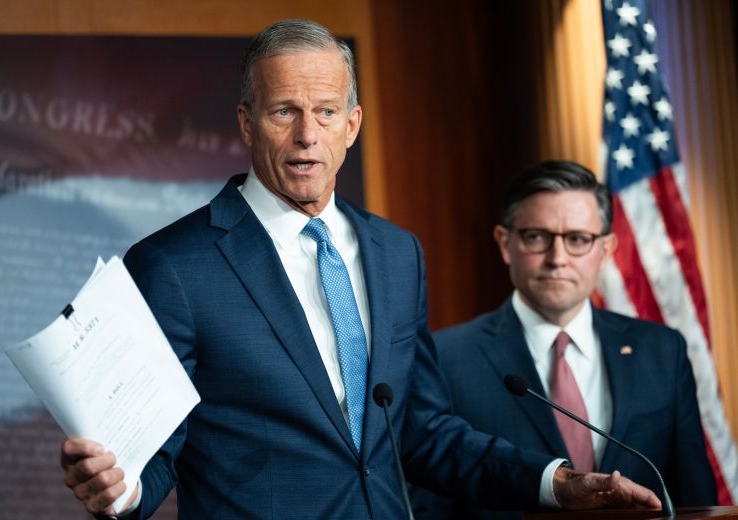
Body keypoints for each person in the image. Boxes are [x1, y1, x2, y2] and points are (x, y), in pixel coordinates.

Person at [60, 22, 661, 519]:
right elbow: (155, 448)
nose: (306, 136)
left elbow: (420, 430)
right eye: (283, 112)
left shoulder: (397, 253)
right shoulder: (172, 265)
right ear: (246, 123)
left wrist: (558, 482)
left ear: (352, 126)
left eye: (325, 112)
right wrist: (121, 489)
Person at [411, 160, 716, 519]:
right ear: (505, 243)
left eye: (577, 240)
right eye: (536, 237)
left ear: (605, 250)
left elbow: (696, 499)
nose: (557, 259)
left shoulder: (663, 352)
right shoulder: (445, 358)